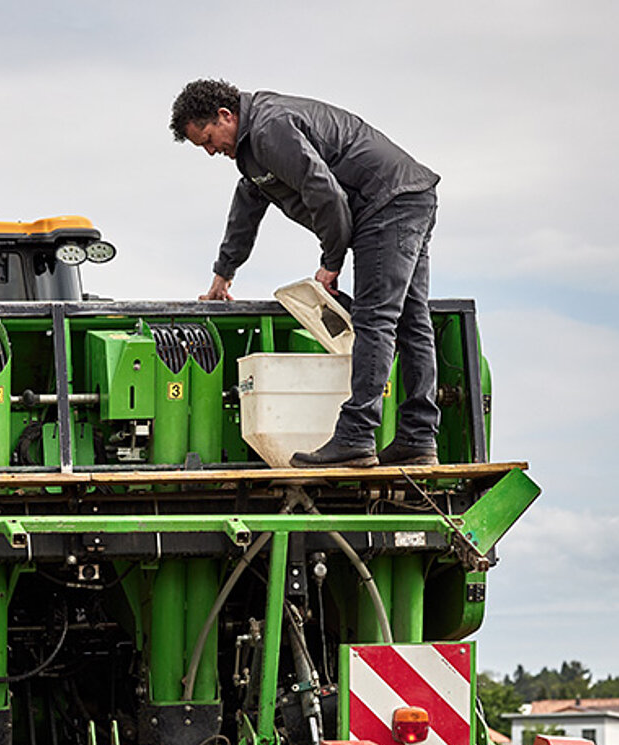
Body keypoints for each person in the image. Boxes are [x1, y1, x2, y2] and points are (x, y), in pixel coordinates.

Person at [170, 78, 441, 467]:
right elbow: (247, 206)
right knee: (411, 322)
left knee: (375, 319)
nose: (212, 151)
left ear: (225, 115)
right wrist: (223, 274)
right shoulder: (253, 151)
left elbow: (325, 193)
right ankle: (417, 437)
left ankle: (356, 437)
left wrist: (331, 262)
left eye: (209, 139)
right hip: (405, 196)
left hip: (387, 202)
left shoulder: (270, 128)